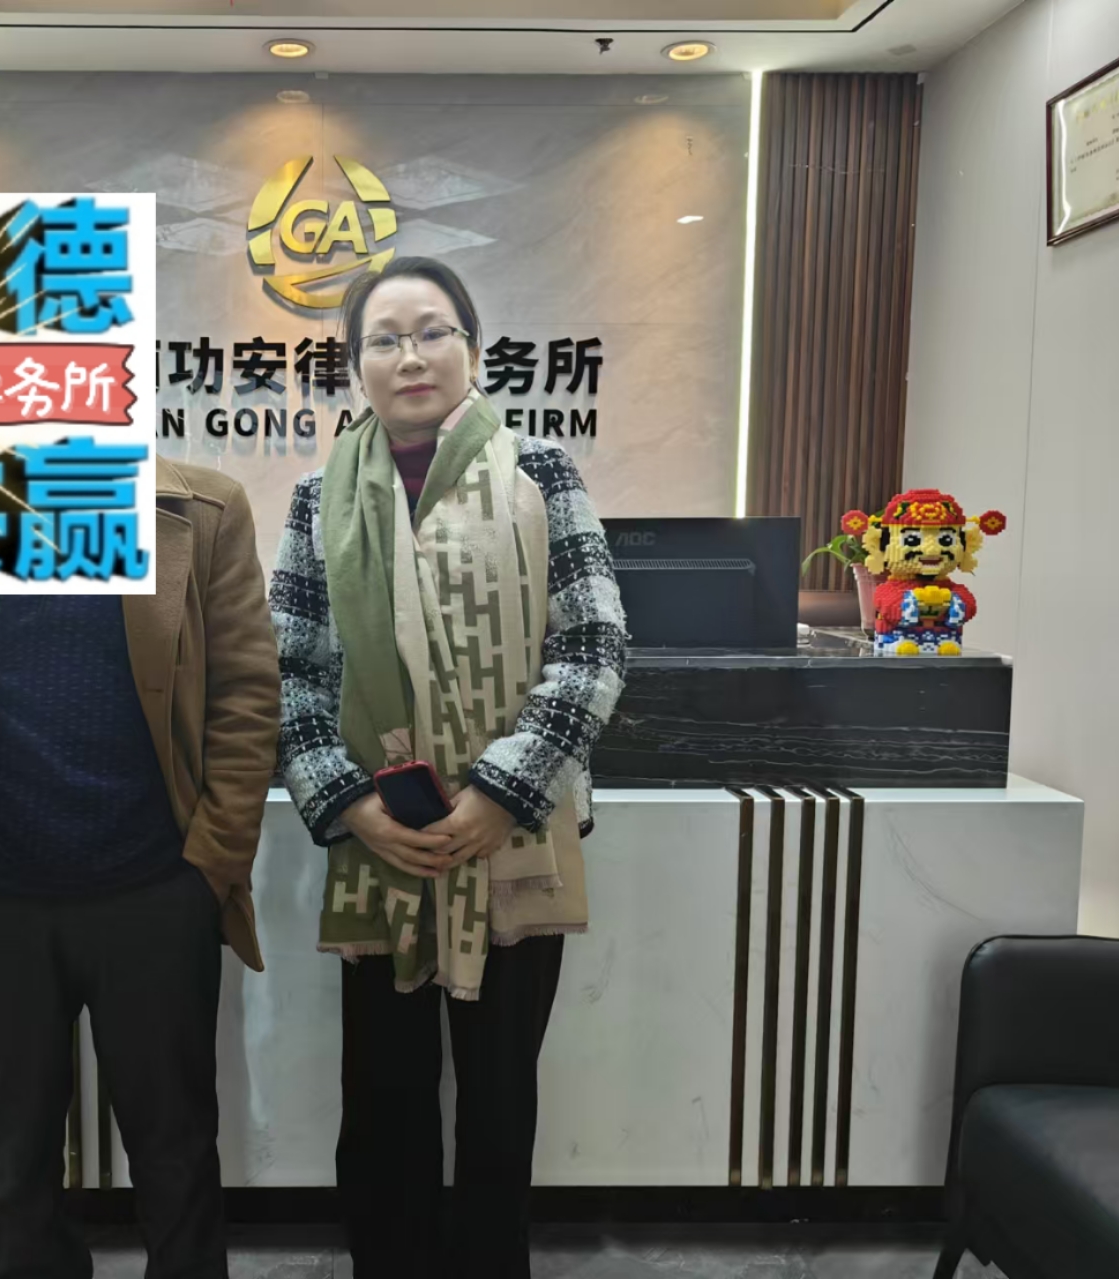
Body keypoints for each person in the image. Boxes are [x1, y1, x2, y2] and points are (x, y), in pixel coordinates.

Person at [269, 257, 629, 1278]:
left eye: (433, 331)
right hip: (380, 841)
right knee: (382, 1095)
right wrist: (349, 803)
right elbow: (290, 667)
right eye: (383, 339)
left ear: (472, 348)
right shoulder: (317, 497)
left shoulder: (541, 471)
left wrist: (501, 792)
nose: (410, 355)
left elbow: (593, 644)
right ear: (355, 366)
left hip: (514, 838)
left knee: (498, 1097)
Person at [0, 461, 281, 1279]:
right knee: (7, 1173)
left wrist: (210, 868)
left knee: (177, 1158)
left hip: (156, 892)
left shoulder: (204, 507)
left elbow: (247, 691)